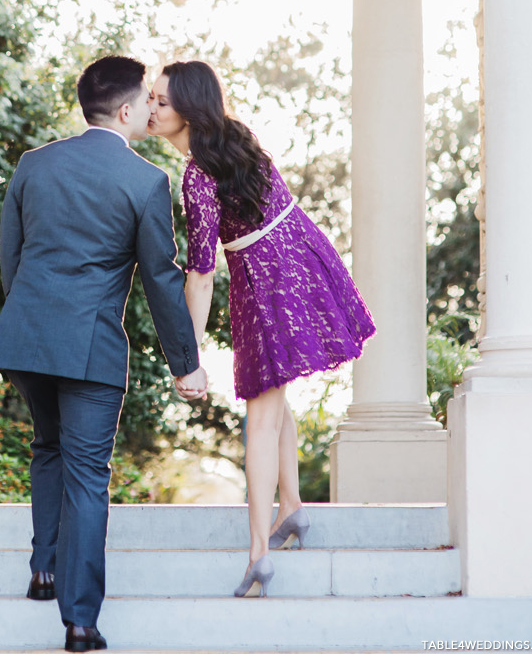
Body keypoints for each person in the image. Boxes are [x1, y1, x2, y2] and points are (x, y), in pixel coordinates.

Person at [0, 55, 207, 653]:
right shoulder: (144, 181)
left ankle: (43, 569)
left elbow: (12, 257)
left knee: (47, 447)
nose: (153, 112)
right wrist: (185, 362)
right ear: (129, 109)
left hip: (26, 339)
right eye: (148, 103)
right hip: (90, 349)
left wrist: (31, 323)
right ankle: (79, 621)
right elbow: (162, 280)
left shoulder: (34, 165)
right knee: (87, 473)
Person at [149, 59, 375, 599]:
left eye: (161, 100)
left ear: (189, 107)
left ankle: (258, 552)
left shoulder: (196, 175)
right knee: (275, 399)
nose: (151, 108)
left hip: (268, 280)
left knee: (261, 418)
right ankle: (292, 506)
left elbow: (201, 274)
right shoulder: (238, 139)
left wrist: (191, 355)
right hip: (300, 254)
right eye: (151, 99)